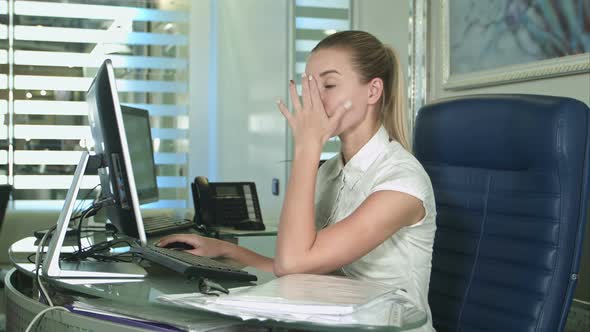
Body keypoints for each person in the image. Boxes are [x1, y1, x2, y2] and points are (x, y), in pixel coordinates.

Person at [158, 30, 436, 330]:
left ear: (373, 91)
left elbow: (293, 262)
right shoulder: (330, 172)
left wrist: (307, 146)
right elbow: (296, 267)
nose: (313, 100)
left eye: (328, 85)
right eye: (310, 88)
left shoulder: (402, 183)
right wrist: (225, 250)